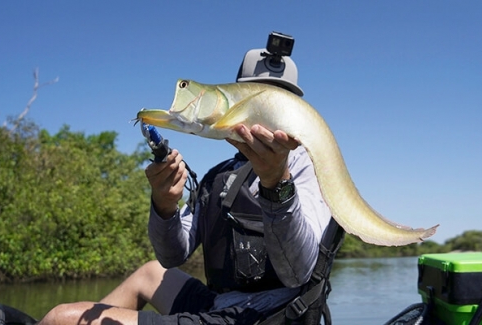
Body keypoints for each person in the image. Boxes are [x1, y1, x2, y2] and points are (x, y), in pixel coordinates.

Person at [38, 47, 342, 325]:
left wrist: (276, 183)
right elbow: (171, 256)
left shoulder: (313, 168)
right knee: (149, 272)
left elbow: (296, 272)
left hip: (270, 315)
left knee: (60, 318)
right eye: (253, 95)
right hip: (221, 305)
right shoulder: (218, 176)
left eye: (276, 99)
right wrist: (164, 205)